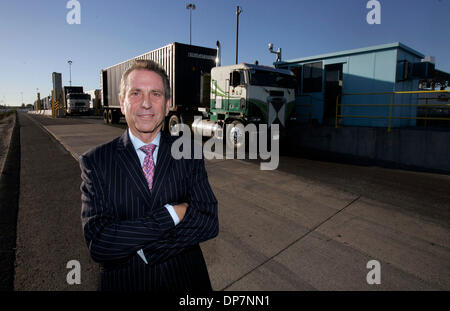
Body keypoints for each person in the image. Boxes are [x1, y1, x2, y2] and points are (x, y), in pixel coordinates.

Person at [79, 59, 219, 291]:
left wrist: (150, 249)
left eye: (155, 94)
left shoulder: (189, 151)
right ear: (122, 104)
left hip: (187, 282)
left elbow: (207, 221)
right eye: (136, 93)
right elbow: (100, 243)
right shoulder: (96, 162)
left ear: (167, 105)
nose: (146, 103)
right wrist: (172, 214)